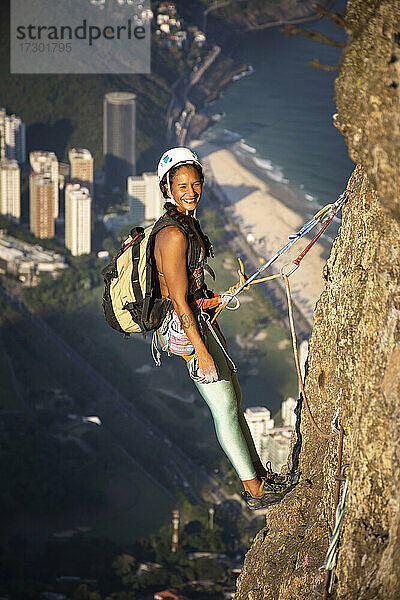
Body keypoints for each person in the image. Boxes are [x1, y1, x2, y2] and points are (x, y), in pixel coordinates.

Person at [152, 147, 294, 510]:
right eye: (181, 185)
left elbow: (189, 291)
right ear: (166, 188)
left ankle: (260, 477)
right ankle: (256, 492)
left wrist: (219, 298)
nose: (190, 191)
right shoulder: (173, 235)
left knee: (235, 403)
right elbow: (179, 300)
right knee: (225, 408)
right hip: (187, 332)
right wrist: (201, 352)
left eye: (195, 184)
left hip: (197, 321)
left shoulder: (186, 225)